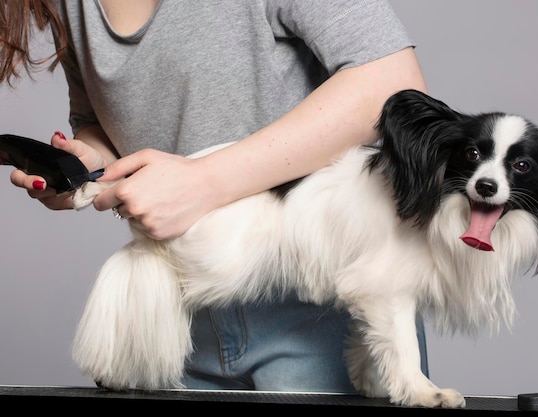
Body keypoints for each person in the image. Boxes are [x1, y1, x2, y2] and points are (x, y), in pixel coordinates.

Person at [0, 0, 429, 393]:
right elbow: (98, 121)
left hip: (320, 310)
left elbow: (392, 83)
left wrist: (204, 182)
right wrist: (91, 167)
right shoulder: (67, 5)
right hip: (173, 324)